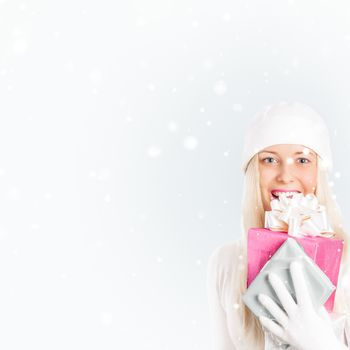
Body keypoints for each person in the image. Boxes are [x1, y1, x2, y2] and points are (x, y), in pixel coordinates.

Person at [206, 102, 350, 350]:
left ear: (320, 172)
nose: (285, 175)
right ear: (253, 171)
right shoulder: (225, 261)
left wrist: (322, 345)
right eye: (270, 159)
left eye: (302, 159)